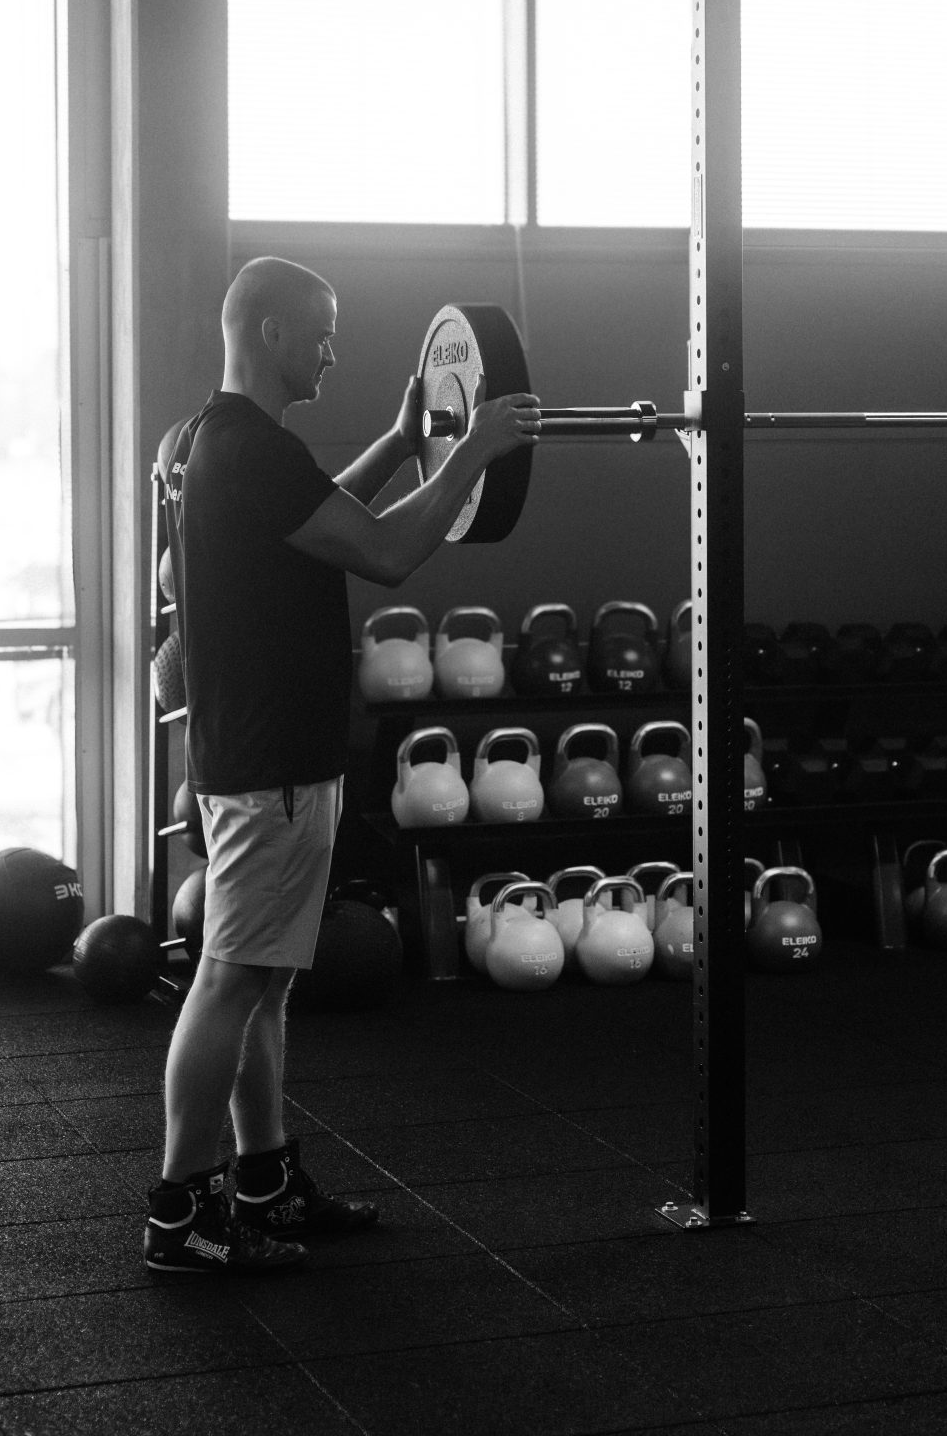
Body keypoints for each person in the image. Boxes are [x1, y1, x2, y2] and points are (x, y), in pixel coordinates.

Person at [145, 257, 539, 1274]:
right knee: (230, 980)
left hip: (250, 753)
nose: (331, 352)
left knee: (261, 984)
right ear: (270, 332)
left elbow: (314, 522)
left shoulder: (196, 443)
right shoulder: (256, 449)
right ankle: (179, 1213)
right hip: (272, 765)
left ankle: (263, 1179)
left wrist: (405, 444)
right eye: (320, 332)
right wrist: (472, 452)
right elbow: (385, 552)